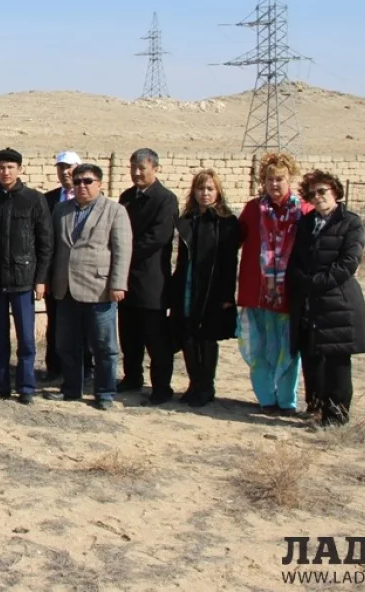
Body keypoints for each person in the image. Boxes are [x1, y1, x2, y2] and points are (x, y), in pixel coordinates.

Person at [44, 163, 132, 410]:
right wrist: (49, 280)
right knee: (67, 344)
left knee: (104, 346)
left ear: (100, 184)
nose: (82, 185)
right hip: (66, 288)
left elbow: (122, 251)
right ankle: (71, 389)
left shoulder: (114, 211)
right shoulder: (61, 210)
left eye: (88, 181)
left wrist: (118, 284)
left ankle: (104, 393)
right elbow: (53, 248)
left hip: (99, 288)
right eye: (78, 181)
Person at [0, 149, 53, 404]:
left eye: (10, 167)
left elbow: (45, 243)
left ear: (19, 169)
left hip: (23, 280)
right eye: (0, 168)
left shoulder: (34, 200)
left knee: (26, 339)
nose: (5, 172)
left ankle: (26, 387)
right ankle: (1, 384)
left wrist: (41, 279)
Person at [289, 170, 365, 428]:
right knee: (312, 356)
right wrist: (300, 280)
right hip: (309, 302)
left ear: (335, 191)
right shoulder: (306, 222)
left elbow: (348, 262)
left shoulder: (351, 223)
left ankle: (336, 416)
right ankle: (317, 407)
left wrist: (317, 283)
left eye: (322, 191)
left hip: (338, 301)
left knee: (337, 360)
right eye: (312, 193)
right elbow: (297, 258)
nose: (318, 196)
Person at [237, 152, 312, 415]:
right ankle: (266, 398)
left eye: (280, 178)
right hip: (256, 293)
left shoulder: (304, 212)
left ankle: (287, 401)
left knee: (288, 351)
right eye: (269, 179)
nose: (275, 184)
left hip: (288, 295)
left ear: (289, 178)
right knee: (258, 349)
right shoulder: (252, 209)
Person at [169, 170, 239, 407]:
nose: (205, 193)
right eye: (201, 189)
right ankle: (193, 383)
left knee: (207, 337)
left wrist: (227, 295)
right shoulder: (188, 219)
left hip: (212, 288)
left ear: (218, 192)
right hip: (188, 285)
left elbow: (230, 262)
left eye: (210, 189)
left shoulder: (227, 223)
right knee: (187, 335)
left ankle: (206, 386)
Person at [117, 148, 180, 404]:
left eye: (142, 168)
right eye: (133, 167)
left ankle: (161, 388)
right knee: (129, 334)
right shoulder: (127, 197)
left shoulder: (165, 199)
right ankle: (132, 377)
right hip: (126, 278)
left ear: (155, 168)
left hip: (152, 280)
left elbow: (157, 238)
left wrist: (123, 252)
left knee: (155, 338)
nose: (136, 172)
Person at [43, 150, 86, 382]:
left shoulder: (91, 199)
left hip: (84, 276)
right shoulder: (48, 199)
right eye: (61, 167)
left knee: (83, 326)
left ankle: (83, 370)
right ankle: (54, 367)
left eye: (69, 167)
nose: (65, 172)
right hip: (56, 274)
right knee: (55, 323)